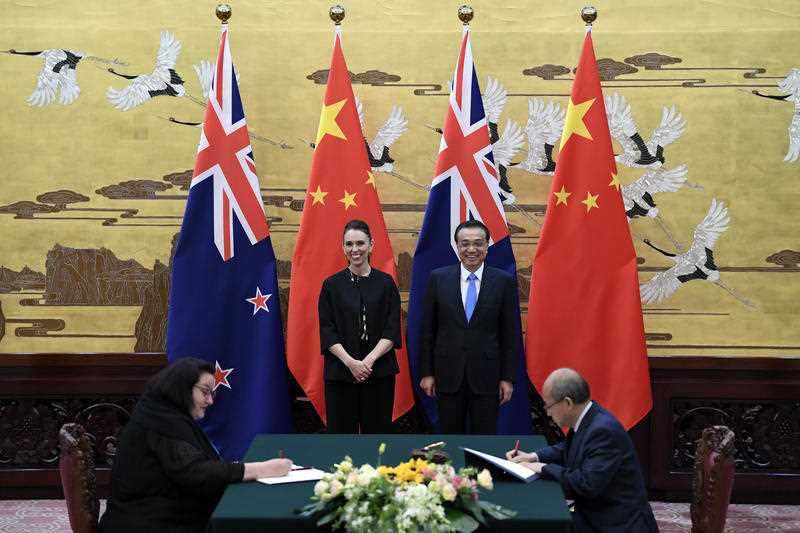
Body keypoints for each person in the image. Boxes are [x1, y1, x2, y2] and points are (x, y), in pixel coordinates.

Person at [98, 357, 292, 533]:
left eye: (212, 394)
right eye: (205, 392)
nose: (210, 401)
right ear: (181, 388)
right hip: (148, 523)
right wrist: (261, 469)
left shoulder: (163, 413)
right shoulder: (159, 423)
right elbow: (196, 473)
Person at [506, 368, 658, 533]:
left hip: (615, 523)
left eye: (549, 406)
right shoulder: (587, 417)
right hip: (594, 512)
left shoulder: (603, 431)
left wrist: (542, 468)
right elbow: (567, 448)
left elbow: (586, 484)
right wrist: (533, 457)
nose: (548, 413)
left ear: (568, 403)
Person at [418, 219, 518, 434]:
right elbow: (427, 331)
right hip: (447, 376)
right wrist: (427, 373)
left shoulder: (503, 281)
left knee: (485, 439)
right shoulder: (438, 278)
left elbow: (510, 335)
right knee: (449, 438)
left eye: (478, 243)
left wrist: (507, 378)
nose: (471, 249)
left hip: (487, 377)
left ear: (487, 245)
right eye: (465, 244)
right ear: (457, 246)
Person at [318, 219, 402, 433]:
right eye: (349, 244)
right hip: (340, 371)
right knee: (340, 438)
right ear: (343, 247)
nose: (355, 249)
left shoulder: (386, 283)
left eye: (360, 243)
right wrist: (351, 363)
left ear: (371, 245)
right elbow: (327, 330)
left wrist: (367, 362)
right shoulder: (331, 285)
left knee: (377, 436)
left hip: (379, 371)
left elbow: (392, 329)